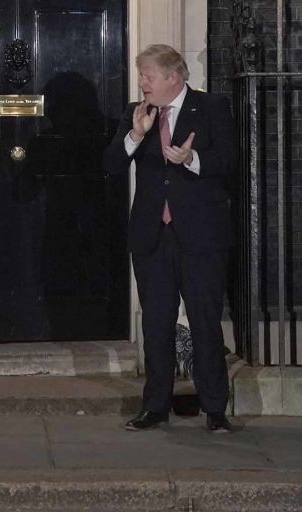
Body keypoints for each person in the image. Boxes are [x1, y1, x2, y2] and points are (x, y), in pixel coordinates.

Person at [103, 44, 237, 433]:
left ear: (173, 77)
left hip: (201, 237)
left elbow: (229, 160)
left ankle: (215, 409)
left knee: (204, 322)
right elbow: (110, 165)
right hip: (152, 237)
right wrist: (134, 134)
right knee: (156, 325)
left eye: (148, 75)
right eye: (141, 74)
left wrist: (191, 160)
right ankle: (155, 407)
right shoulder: (137, 113)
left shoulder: (212, 107)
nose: (142, 82)